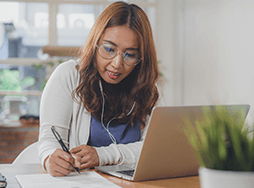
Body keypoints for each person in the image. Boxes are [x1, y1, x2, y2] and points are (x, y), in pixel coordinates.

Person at [38, 1, 163, 177]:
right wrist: (49, 159)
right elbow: (49, 141)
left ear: (141, 57)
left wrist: (101, 155)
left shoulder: (148, 88)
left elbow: (154, 149)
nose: (117, 64)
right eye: (109, 49)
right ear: (95, 43)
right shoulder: (69, 76)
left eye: (130, 54)